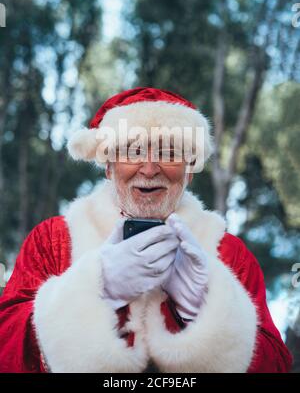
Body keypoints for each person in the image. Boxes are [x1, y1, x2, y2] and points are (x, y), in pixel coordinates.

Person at [0, 87, 293, 373]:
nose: (150, 168)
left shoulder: (230, 254)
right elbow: (5, 347)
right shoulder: (52, 240)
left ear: (189, 169)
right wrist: (94, 288)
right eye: (133, 151)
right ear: (109, 166)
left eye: (169, 153)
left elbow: (277, 365)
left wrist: (208, 310)